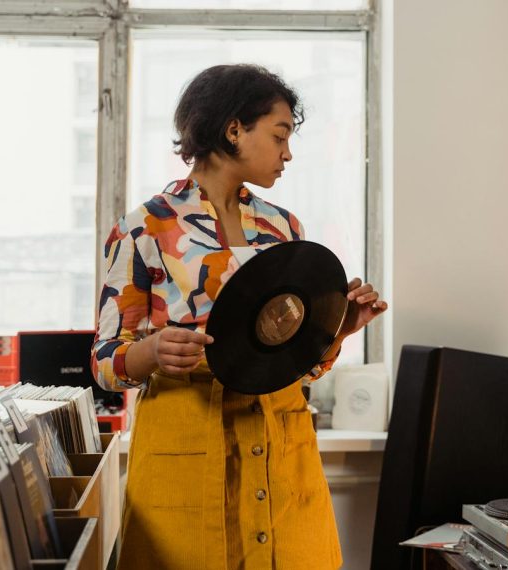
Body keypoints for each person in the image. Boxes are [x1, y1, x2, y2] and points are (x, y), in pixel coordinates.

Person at [92, 63, 387, 570]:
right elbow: (104, 362)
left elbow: (300, 365)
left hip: (280, 446)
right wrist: (152, 351)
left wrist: (338, 330)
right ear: (234, 129)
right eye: (279, 135)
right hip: (186, 447)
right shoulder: (145, 229)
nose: (287, 153)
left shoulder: (283, 228)